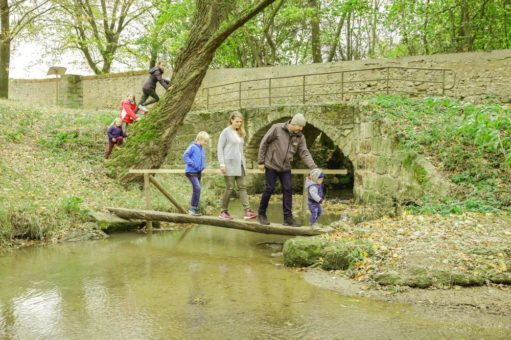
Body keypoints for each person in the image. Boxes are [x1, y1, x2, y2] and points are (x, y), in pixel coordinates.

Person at [257, 113, 318, 227]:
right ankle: (261, 214)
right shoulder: (276, 128)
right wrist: (261, 161)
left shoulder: (300, 136)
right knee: (269, 188)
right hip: (271, 164)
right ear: (294, 123)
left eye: (302, 127)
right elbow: (264, 143)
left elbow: (304, 153)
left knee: (288, 189)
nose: (301, 129)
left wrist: (314, 167)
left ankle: (288, 218)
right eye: (300, 126)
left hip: (286, 167)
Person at [217, 111, 258, 220]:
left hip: (240, 164)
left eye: (240, 122)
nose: (239, 124)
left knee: (242, 187)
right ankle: (223, 212)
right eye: (237, 121)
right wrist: (222, 164)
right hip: (229, 164)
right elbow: (220, 148)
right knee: (230, 187)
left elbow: (240, 150)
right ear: (231, 120)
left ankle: (247, 211)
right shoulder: (225, 132)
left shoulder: (240, 132)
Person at [183, 131, 210, 216]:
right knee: (197, 188)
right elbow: (185, 156)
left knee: (197, 189)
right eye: (205, 141)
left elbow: (202, 159)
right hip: (191, 171)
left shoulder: (201, 148)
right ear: (200, 139)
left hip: (198, 172)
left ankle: (194, 209)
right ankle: (192, 209)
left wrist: (203, 166)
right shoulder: (192, 146)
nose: (206, 143)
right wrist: (192, 163)